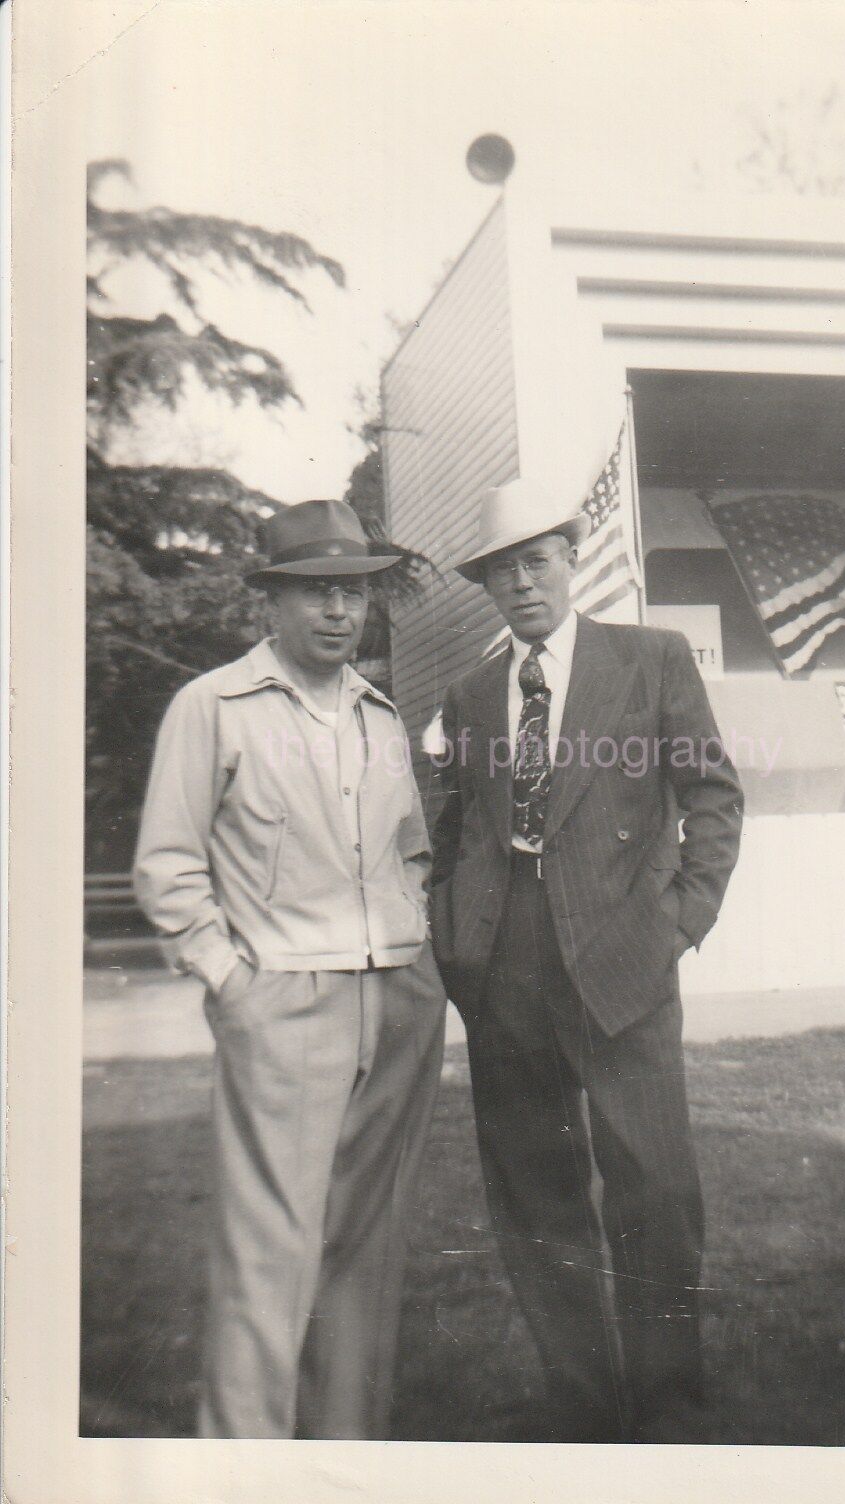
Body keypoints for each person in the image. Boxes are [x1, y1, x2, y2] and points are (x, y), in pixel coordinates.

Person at [430, 477, 744, 1443]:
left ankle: (667, 1408)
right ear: (486, 587)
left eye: (536, 561)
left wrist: (680, 920)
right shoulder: (473, 693)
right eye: (500, 572)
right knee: (534, 1194)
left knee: (653, 1188)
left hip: (623, 960)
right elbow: (454, 828)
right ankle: (581, 1402)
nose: (521, 584)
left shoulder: (649, 660)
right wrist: (457, 939)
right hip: (503, 966)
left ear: (570, 559)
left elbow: (714, 796)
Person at [133, 499, 447, 1440]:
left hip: (395, 998)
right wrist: (233, 984)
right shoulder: (213, 706)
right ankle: (245, 1465)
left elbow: (412, 855)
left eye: (352, 593)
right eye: (315, 593)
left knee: (366, 1244)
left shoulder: (380, 715)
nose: (338, 613)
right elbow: (168, 865)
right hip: (283, 1002)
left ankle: (342, 1456)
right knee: (268, 1251)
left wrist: (418, 957)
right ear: (271, 603)